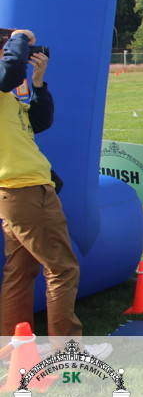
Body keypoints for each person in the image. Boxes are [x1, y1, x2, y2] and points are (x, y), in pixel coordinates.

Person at [0, 29, 83, 338]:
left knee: (20, 272)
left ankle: (14, 347)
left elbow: (40, 121)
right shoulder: (4, 82)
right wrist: (20, 36)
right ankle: (68, 349)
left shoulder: (6, 98)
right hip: (24, 191)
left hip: (20, 191)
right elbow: (10, 70)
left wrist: (38, 82)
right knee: (62, 268)